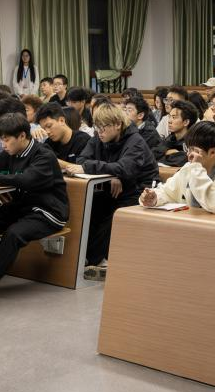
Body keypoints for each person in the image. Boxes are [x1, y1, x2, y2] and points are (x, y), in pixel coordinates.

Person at [0, 113, 69, 305]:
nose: (3, 144)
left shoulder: (44, 155)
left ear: (22, 136)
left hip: (48, 212)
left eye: (6, 140)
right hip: (21, 208)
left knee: (14, 235)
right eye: (1, 139)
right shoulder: (9, 153)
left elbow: (27, 179)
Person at [68, 102, 159, 278]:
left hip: (141, 191)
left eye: (103, 127)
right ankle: (87, 258)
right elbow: (81, 160)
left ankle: (96, 260)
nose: (99, 132)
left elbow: (125, 168)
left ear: (117, 125)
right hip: (115, 187)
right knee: (89, 208)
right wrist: (113, 175)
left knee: (114, 216)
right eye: (97, 127)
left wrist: (114, 172)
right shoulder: (99, 138)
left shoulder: (135, 141)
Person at [141, 121, 215, 214]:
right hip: (194, 224)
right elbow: (167, 191)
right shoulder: (188, 169)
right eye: (188, 149)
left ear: (212, 152)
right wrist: (154, 198)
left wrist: (196, 168)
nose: (189, 154)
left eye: (195, 150)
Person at [156, 99, 197, 167]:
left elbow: (186, 159)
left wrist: (167, 154)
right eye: (170, 116)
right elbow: (153, 153)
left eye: (174, 117)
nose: (169, 121)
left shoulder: (193, 141)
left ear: (186, 122)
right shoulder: (171, 137)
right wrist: (168, 152)